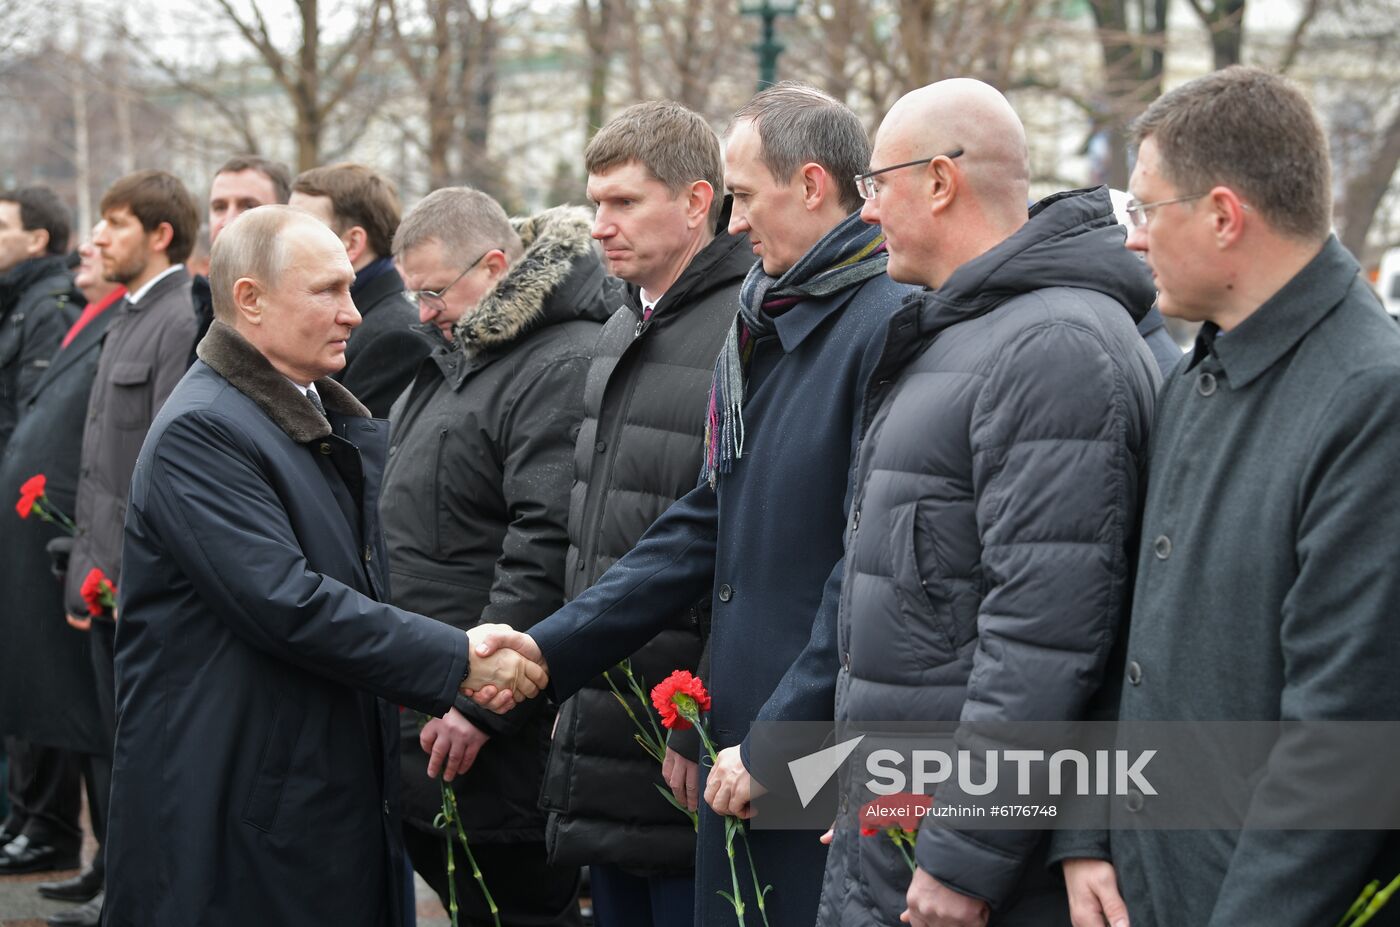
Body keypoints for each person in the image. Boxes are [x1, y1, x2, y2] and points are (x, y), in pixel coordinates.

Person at [478, 82, 914, 927]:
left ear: (812, 185)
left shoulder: (882, 321)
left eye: (744, 197)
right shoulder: (771, 317)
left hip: (807, 747)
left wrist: (781, 737)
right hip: (745, 743)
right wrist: (546, 647)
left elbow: (863, 569)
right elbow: (707, 520)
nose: (736, 224)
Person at [101, 205, 546, 926]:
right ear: (250, 300)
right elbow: (289, 603)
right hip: (238, 804)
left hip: (298, 787)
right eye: (327, 291)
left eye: (350, 287)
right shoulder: (204, 429)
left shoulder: (300, 414)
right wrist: (458, 658)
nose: (354, 313)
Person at [1056, 66, 1400, 927]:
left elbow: (1343, 742)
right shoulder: (1194, 378)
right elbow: (1129, 636)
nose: (1133, 240)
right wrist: (1086, 833)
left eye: (1145, 210)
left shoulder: (1372, 400)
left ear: (1221, 215)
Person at [813, 78, 1159, 927]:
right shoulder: (969, 332)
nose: (865, 211)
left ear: (940, 180)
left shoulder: (1051, 349)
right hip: (903, 833)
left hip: (975, 875)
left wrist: (964, 851)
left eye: (876, 185)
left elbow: (1044, 637)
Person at [538, 100, 754, 927]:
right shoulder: (622, 323)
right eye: (595, 202)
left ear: (698, 201)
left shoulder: (745, 326)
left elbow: (737, 547)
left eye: (624, 202)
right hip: (606, 726)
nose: (600, 225)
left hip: (684, 739)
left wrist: (696, 717)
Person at [383, 188, 608, 926]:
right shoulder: (458, 358)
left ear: (494, 266)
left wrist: (478, 705)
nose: (423, 313)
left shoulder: (558, 361)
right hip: (432, 702)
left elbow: (545, 544)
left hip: (491, 729)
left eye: (433, 292)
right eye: (413, 295)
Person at [0, 226, 124, 924]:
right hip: (63, 539)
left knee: (94, 712)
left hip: (88, 541)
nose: (89, 251)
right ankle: (98, 860)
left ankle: (103, 858)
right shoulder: (85, 315)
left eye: (110, 233)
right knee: (68, 703)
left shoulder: (118, 315)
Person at [0, 186, 84, 877]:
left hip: (31, 513)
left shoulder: (50, 305)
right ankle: (27, 816)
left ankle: (47, 823)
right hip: (15, 506)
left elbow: (34, 422)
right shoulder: (20, 300)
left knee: (39, 664)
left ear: (38, 239)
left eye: (1, 226)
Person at [290, 163, 431, 417]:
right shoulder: (362, 319)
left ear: (352, 242)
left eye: (302, 229)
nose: (284, 240)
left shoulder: (396, 340)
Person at [190, 155, 292, 365]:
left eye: (248, 206)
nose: (228, 220)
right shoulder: (192, 307)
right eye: (219, 207)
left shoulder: (302, 310)